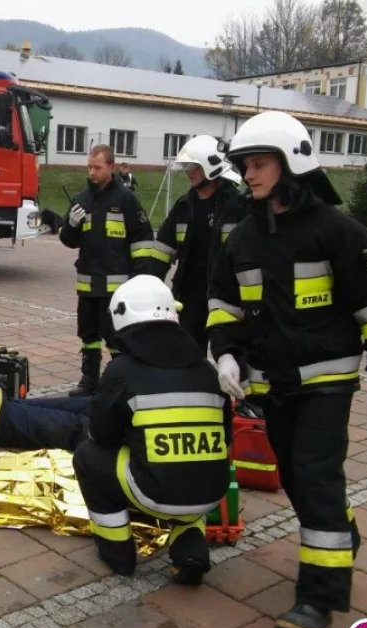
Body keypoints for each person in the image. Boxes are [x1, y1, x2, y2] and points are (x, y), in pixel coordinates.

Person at [208, 110, 367, 628]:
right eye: (244, 165)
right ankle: (341, 535)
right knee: (296, 477)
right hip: (273, 383)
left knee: (316, 477)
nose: (248, 175)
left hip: (326, 382)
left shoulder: (336, 232)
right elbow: (223, 304)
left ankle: (318, 600)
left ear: (291, 163)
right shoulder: (244, 238)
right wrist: (226, 353)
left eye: (258, 164)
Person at [72, 275, 231, 582]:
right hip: (213, 489)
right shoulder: (207, 369)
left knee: (88, 457)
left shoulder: (122, 371)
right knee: (190, 467)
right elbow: (224, 437)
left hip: (155, 492)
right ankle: (190, 552)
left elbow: (101, 435)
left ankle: (117, 553)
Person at [59, 145, 156, 396]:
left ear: (111, 167)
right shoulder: (81, 199)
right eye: (89, 167)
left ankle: (118, 382)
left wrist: (140, 278)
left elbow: (143, 240)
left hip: (117, 288)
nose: (92, 172)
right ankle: (89, 380)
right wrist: (70, 225)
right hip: (88, 284)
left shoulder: (126, 199)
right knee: (88, 334)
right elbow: (69, 241)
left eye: (97, 167)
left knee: (116, 337)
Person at [147, 135, 245, 351]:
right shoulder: (183, 207)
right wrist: (148, 284)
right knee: (191, 354)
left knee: (232, 354)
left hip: (227, 296)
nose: (188, 171)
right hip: (190, 297)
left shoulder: (238, 206)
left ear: (212, 167)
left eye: (194, 165)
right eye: (187, 165)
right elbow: (162, 250)